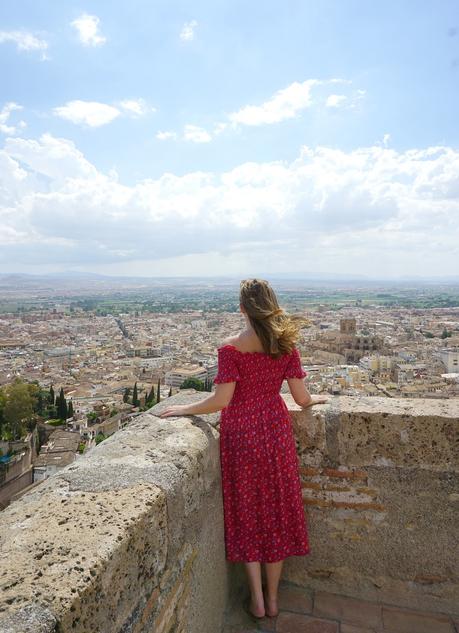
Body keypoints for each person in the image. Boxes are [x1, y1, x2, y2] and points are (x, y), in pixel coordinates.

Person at [159, 278, 330, 620]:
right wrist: (317, 399)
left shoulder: (230, 349)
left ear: (241, 309)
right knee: (277, 512)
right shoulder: (286, 347)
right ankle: (274, 598)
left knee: (248, 513)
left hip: (240, 435)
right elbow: (301, 398)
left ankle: (256, 599)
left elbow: (221, 400)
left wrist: (185, 409)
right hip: (275, 432)